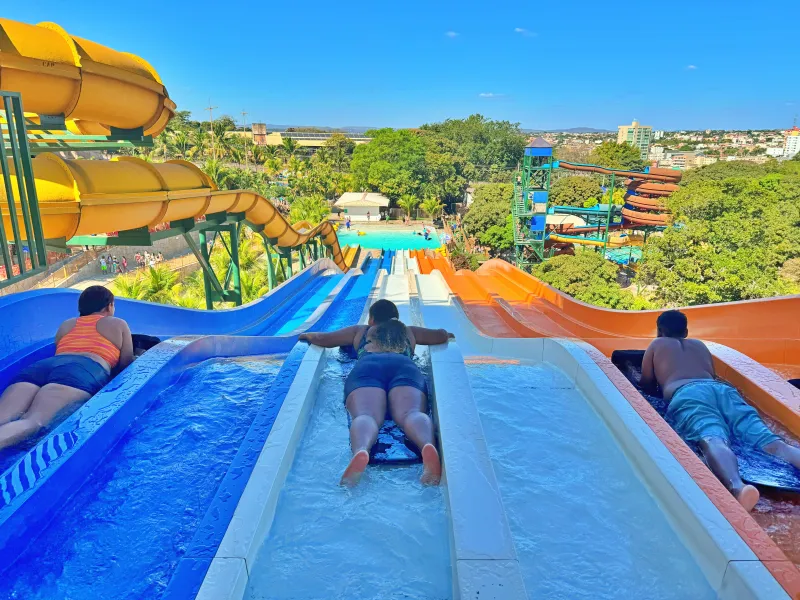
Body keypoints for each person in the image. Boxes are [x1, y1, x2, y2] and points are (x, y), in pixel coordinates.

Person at [641, 310, 800, 511]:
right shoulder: (700, 346)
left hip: (688, 394)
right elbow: (712, 375)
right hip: (722, 391)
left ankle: (738, 487)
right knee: (771, 442)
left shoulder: (656, 344)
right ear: (687, 331)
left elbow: (646, 383)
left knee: (713, 437)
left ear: (659, 331)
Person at [299, 299, 454, 486]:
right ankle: (426, 445)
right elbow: (440, 335)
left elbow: (323, 340)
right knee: (411, 413)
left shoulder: (361, 331)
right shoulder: (408, 331)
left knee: (366, 415)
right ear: (396, 319)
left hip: (368, 368)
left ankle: (362, 450)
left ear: (372, 319)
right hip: (404, 367)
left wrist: (306, 335)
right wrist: (446, 334)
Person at [0, 286, 133, 450]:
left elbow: (59, 352)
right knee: (34, 421)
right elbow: (126, 364)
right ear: (109, 306)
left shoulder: (66, 325)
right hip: (80, 370)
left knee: (3, 416)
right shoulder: (118, 324)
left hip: (42, 367)